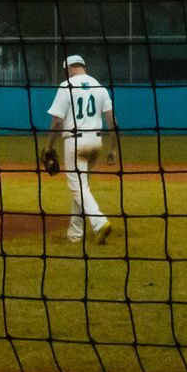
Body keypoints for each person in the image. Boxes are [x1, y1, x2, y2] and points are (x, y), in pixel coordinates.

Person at [42, 55, 116, 245]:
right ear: (83, 66)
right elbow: (111, 121)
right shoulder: (99, 86)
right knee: (82, 188)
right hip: (96, 143)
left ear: (68, 69)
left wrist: (49, 146)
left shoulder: (66, 86)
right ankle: (75, 234)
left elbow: (57, 121)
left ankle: (100, 223)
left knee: (78, 188)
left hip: (75, 143)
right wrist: (112, 149)